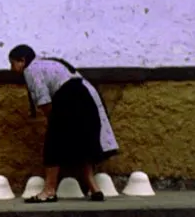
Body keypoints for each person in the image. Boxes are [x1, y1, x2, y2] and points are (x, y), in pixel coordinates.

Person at [8, 44, 118, 202]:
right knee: (83, 144)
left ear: (22, 60)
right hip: (86, 96)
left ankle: (49, 190)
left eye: (13, 64)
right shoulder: (50, 63)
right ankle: (95, 189)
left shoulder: (32, 69)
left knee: (53, 144)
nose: (12, 69)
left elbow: (44, 101)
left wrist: (52, 121)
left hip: (69, 96)